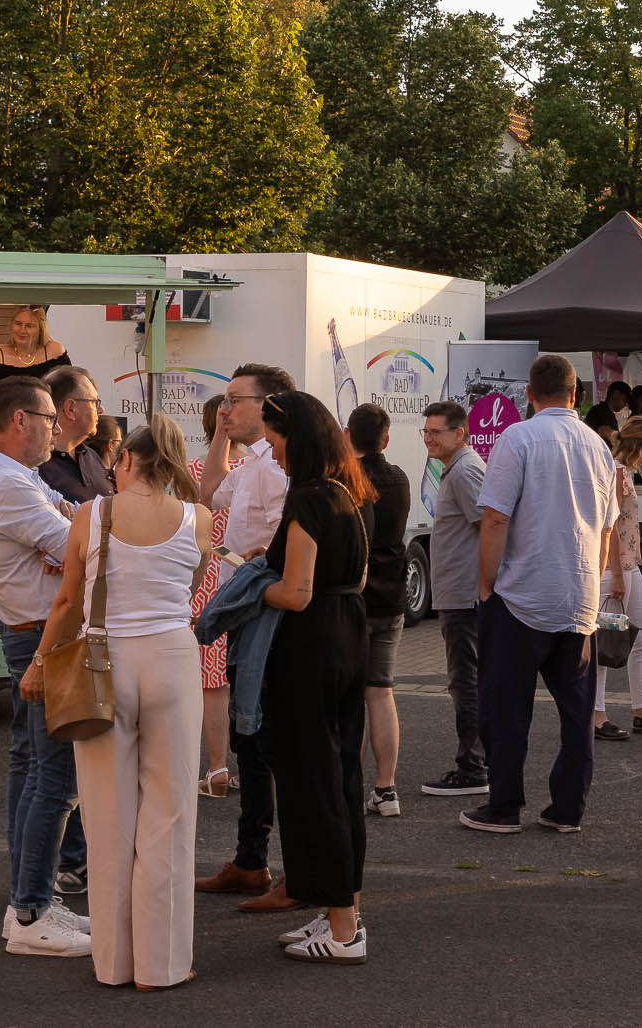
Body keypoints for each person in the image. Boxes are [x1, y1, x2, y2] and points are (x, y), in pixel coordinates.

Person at [18, 421, 206, 989]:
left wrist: (39, 663)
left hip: (105, 662)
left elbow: (69, 601)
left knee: (106, 814)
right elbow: (192, 588)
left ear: (124, 460)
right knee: (169, 814)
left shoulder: (91, 516)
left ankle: (113, 963)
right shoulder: (195, 519)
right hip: (173, 658)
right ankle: (162, 966)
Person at [462, 354, 622, 838]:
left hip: (522, 593)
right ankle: (568, 807)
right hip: (578, 596)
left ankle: (504, 804)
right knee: (577, 710)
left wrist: (486, 583)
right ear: (577, 394)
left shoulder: (518, 438)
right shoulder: (597, 446)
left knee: (506, 706)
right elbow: (608, 527)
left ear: (530, 394)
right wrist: (592, 581)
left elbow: (495, 517)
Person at [0, 374, 88, 957]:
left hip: (35, 632)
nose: (56, 428)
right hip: (43, 634)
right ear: (20, 421)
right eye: (48, 417)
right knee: (54, 778)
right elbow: (78, 548)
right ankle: (34, 911)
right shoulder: (7, 485)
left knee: (33, 767)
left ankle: (27, 900)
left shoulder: (17, 478)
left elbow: (73, 528)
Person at [255, 391, 374, 963]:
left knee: (314, 782)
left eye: (275, 443)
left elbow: (295, 593)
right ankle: (340, 910)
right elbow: (352, 574)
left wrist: (251, 581)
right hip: (350, 634)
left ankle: (344, 928)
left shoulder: (305, 499)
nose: (272, 454)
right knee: (342, 774)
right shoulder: (346, 494)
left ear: (295, 439)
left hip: (310, 648)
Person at [195, 363, 300, 909]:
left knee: (267, 741)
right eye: (224, 400)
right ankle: (251, 861)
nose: (225, 408)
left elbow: (295, 538)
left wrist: (267, 567)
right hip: (245, 611)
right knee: (250, 740)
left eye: (236, 400)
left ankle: (286, 870)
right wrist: (219, 435)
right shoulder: (252, 461)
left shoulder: (279, 470)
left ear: (269, 405)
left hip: (269, 616)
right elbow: (209, 492)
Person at [418, 401, 491, 797]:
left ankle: (473, 768)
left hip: (466, 597)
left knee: (466, 681)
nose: (428, 438)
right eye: (425, 432)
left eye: (436, 432)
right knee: (467, 680)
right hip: (459, 594)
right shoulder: (457, 468)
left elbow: (490, 527)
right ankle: (479, 763)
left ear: (459, 433)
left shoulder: (465, 471)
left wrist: (485, 584)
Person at [343, 405, 411, 818]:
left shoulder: (347, 480)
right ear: (385, 439)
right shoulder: (400, 478)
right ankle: (386, 789)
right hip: (393, 596)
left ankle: (350, 781)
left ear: (348, 434)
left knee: (351, 695)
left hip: (355, 597)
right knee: (381, 692)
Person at [594, 416, 642, 740]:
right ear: (637, 445)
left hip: (627, 564)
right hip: (616, 567)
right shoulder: (618, 472)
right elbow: (611, 526)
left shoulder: (621, 470)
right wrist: (618, 574)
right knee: (608, 640)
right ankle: (598, 714)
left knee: (641, 632)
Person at [188, 394, 234, 801]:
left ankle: (216, 765)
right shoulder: (261, 467)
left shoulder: (193, 472)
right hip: (248, 574)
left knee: (210, 681)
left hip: (205, 579)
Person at [36, 365, 114, 505]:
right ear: (70, 409)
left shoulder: (90, 456)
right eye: (95, 403)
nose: (101, 410)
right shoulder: (36, 464)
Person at [0, 305, 68, 406]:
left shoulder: (55, 351)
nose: (22, 330)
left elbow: (69, 391)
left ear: (41, 329)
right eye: (18, 324)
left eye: (29, 326)